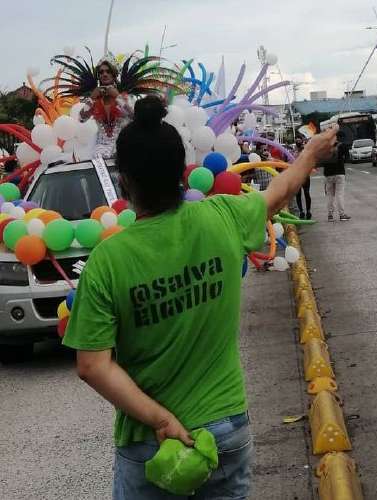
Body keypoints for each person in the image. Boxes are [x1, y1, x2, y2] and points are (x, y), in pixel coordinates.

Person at [62, 95, 337, 499]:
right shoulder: (222, 216)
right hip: (224, 428)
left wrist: (160, 420)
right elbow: (279, 192)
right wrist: (311, 151)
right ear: (182, 172)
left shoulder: (107, 261)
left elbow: (92, 366)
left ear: (124, 180)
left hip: (151, 445)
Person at [78, 59, 134, 158]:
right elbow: (81, 119)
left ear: (114, 75)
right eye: (101, 72)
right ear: (99, 76)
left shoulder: (124, 97)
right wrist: (92, 97)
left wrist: (117, 97)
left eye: (108, 71)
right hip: (100, 149)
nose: (104, 74)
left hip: (122, 147)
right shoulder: (94, 100)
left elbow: (134, 117)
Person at [322, 142, 351, 222]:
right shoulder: (341, 145)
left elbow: (321, 161)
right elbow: (347, 158)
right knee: (339, 194)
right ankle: (342, 215)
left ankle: (330, 215)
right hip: (340, 173)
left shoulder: (324, 147)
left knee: (330, 195)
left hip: (328, 174)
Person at [294, 137, 312, 219]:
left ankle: (308, 211)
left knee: (307, 193)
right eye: (297, 140)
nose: (298, 142)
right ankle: (301, 211)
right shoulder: (293, 151)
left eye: (299, 140)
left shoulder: (306, 150)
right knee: (298, 195)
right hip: (296, 176)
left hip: (305, 175)